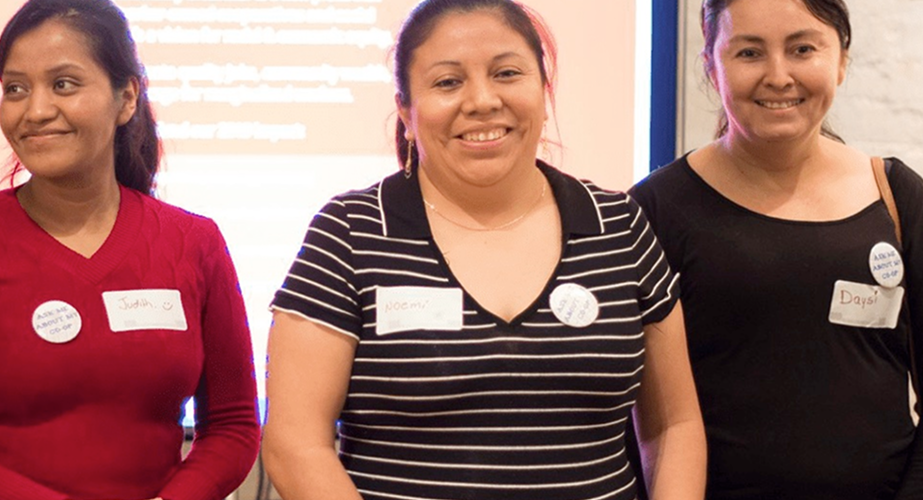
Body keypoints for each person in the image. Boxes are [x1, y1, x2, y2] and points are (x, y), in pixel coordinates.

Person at [260, 0, 706, 498]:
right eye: (448, 82)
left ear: (544, 88)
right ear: (406, 109)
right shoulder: (349, 233)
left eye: (507, 73)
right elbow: (295, 443)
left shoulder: (618, 226)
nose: (482, 100)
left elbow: (674, 426)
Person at [0, 1, 261, 499]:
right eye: (15, 88)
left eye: (63, 84)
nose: (35, 111)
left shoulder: (194, 243)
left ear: (126, 98)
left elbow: (232, 426)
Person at [629, 0, 923, 498]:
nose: (778, 76)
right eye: (749, 52)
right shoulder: (653, 211)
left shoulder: (899, 199)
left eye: (802, 48)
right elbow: (636, 416)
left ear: (841, 59)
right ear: (712, 66)